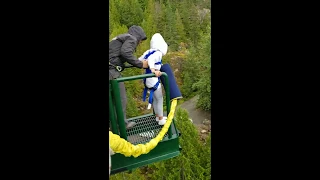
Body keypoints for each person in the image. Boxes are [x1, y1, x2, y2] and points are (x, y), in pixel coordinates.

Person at [109, 25, 149, 129]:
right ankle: (122, 124)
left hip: (111, 69)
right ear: (138, 36)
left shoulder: (122, 38)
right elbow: (125, 52)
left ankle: (113, 125)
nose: (140, 43)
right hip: (112, 72)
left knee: (112, 100)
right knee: (121, 98)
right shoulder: (132, 38)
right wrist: (141, 64)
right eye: (141, 40)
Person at [138, 33, 168, 125]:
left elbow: (139, 60)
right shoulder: (158, 53)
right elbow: (151, 60)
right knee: (159, 98)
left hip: (147, 80)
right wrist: (153, 69)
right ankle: (161, 119)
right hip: (153, 79)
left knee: (155, 98)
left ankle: (157, 117)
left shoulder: (148, 51)